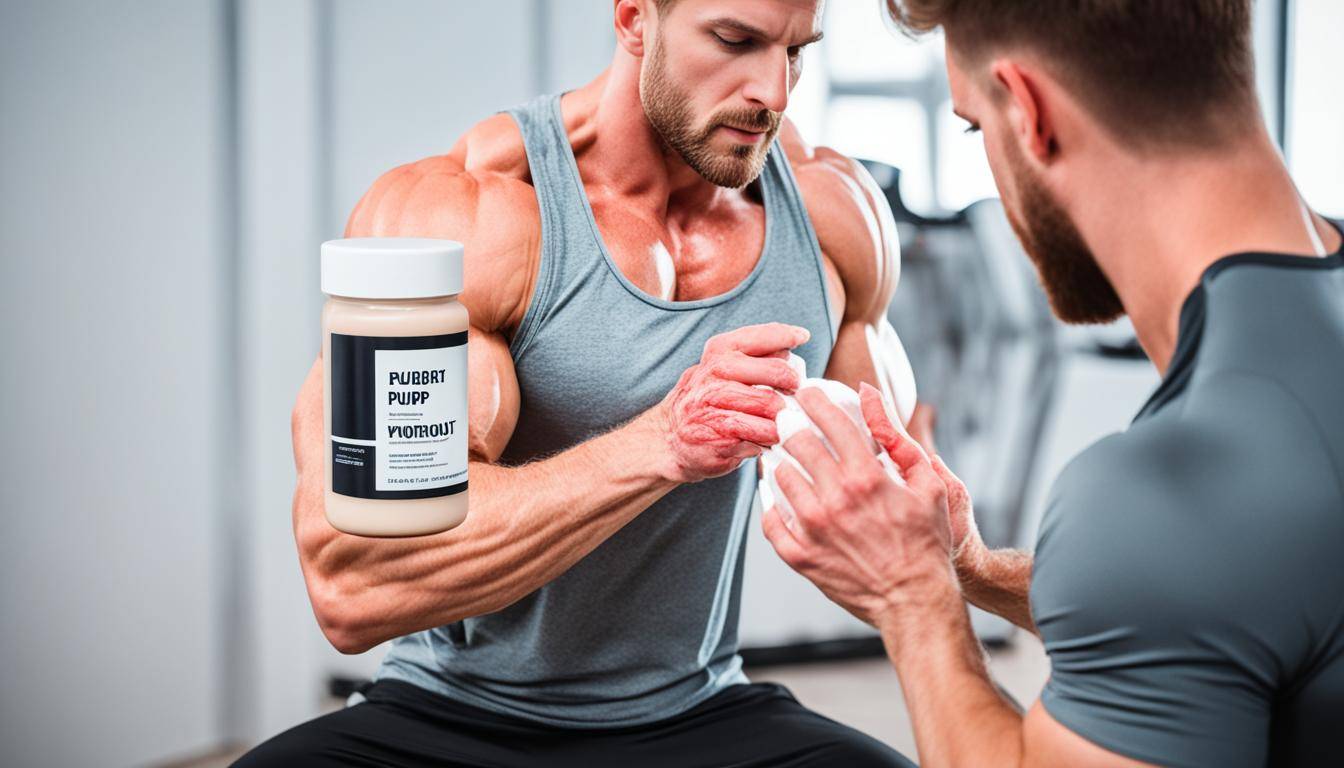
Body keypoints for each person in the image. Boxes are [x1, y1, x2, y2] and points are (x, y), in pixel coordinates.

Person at [239, 0, 920, 765]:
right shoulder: (467, 217)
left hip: (695, 709)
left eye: (798, 51)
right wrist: (663, 442)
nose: (777, 90)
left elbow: (906, 514)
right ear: (635, 19)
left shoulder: (836, 214)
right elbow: (354, 584)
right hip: (450, 716)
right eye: (736, 39)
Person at [762, 1, 1344, 766]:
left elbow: (1188, 558)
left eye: (976, 127)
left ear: (1030, 112)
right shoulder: (1238, 480)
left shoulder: (1167, 490)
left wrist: (911, 595)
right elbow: (1233, 596)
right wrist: (966, 567)